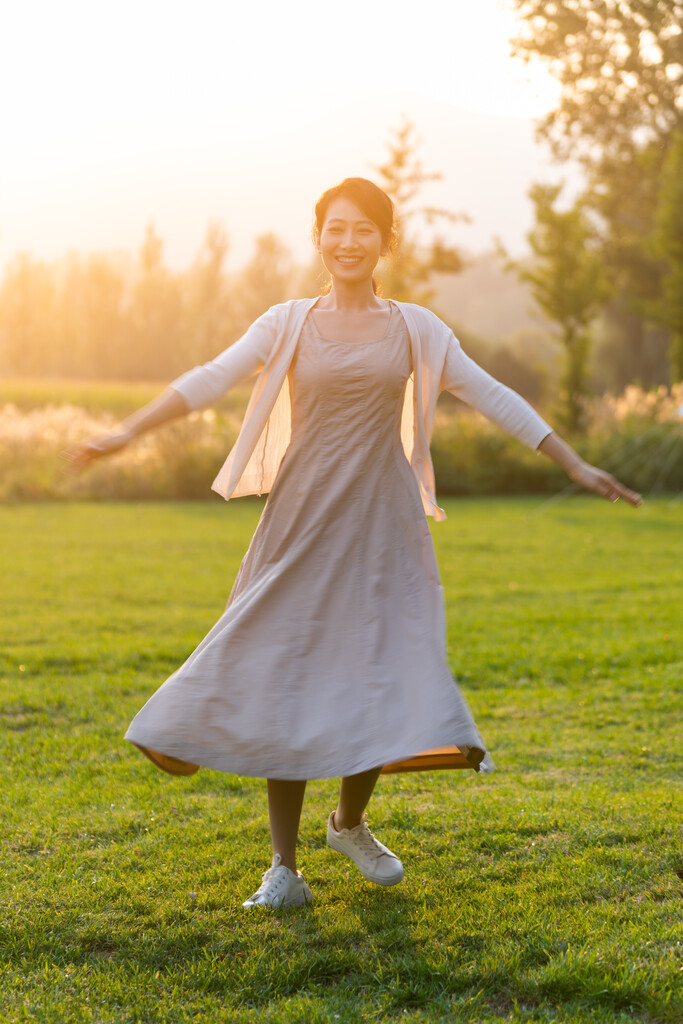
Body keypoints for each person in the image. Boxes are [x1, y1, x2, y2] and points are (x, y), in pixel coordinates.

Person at [66, 177, 641, 909]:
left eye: (362, 230)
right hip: (301, 521)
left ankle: (349, 822)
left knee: (377, 664)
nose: (346, 242)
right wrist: (126, 431)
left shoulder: (417, 329)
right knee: (290, 669)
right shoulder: (286, 323)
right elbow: (209, 379)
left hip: (382, 523)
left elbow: (491, 393)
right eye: (334, 228)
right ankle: (282, 868)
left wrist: (573, 462)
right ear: (318, 236)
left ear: (384, 242)